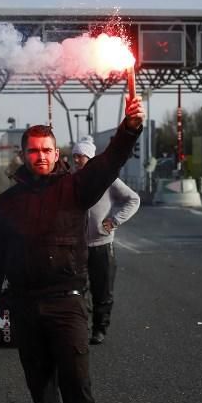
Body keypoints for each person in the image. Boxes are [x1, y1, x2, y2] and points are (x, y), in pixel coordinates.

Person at [0, 96, 145, 403]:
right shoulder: (9, 200)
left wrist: (129, 129)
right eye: (33, 151)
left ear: (57, 154)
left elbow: (109, 163)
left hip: (66, 302)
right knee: (42, 390)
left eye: (47, 150)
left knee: (78, 387)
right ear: (23, 154)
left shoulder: (76, 187)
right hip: (23, 305)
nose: (40, 157)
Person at [71, 135, 140, 345]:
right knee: (78, 291)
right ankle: (82, 327)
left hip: (102, 246)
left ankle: (100, 329)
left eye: (79, 156)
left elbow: (133, 199)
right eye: (74, 156)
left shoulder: (107, 179)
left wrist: (114, 220)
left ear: (90, 157)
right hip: (77, 247)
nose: (75, 160)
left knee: (103, 291)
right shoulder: (71, 180)